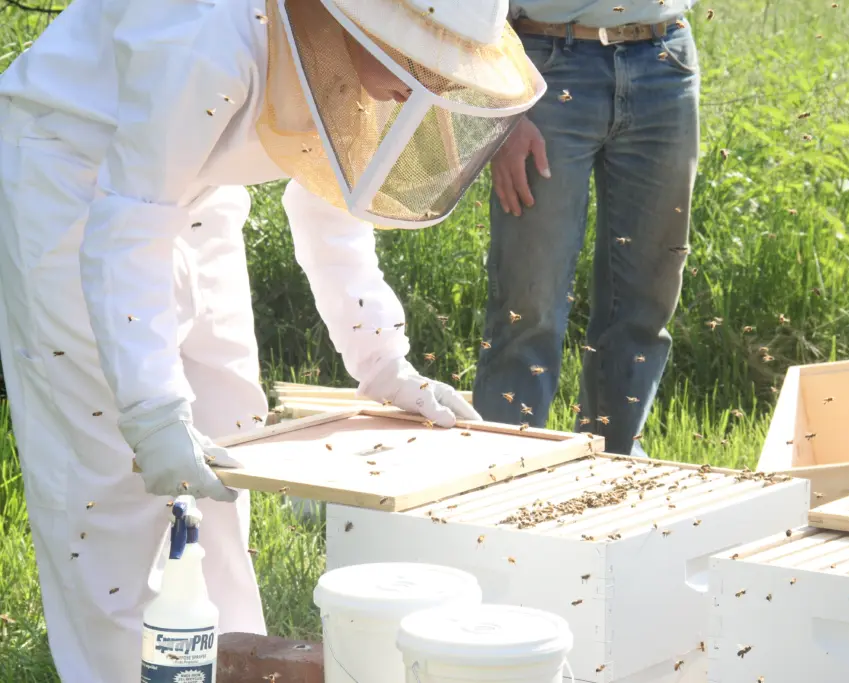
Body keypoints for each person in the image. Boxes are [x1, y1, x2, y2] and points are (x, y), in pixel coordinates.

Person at [0, 0, 543, 680]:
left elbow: (334, 206)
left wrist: (385, 365)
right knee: (110, 476)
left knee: (227, 434)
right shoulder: (206, 40)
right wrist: (151, 410)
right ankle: (115, 667)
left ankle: (232, 659)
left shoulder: (336, 45)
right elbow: (131, 224)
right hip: (73, 177)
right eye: (414, 60)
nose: (417, 84)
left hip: (192, 187)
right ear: (362, 23)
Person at [471, 0, 701, 457]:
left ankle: (612, 469)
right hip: (543, 63)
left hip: (664, 58)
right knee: (529, 303)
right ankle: (499, 481)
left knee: (646, 301)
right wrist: (503, 108)